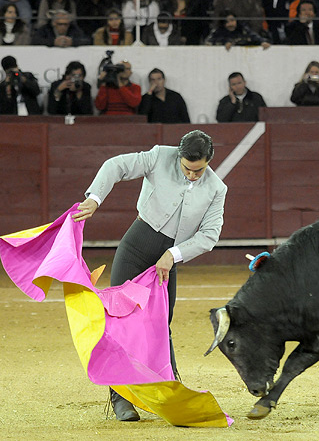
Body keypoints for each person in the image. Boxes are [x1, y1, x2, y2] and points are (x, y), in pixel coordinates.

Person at [71, 129, 227, 421]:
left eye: (199, 170)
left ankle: (170, 391)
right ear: (179, 157)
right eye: (187, 169)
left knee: (160, 326)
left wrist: (173, 255)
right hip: (136, 247)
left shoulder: (217, 189)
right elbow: (115, 165)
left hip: (168, 261)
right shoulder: (159, 157)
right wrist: (94, 198)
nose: (193, 176)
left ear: (209, 162)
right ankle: (120, 399)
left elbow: (209, 235)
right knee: (118, 320)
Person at [205, 9, 271, 49]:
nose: (230, 23)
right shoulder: (218, 31)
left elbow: (254, 36)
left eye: (232, 20)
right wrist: (225, 42)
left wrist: (262, 42)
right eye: (227, 22)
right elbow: (208, 41)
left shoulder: (242, 29)